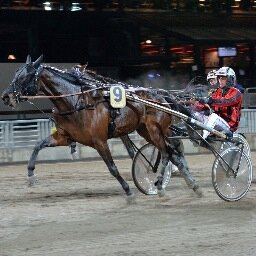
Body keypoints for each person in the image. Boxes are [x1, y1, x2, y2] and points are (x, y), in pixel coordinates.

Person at [196, 66, 243, 139]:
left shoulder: (236, 92)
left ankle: (203, 138)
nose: (220, 80)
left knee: (213, 116)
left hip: (230, 125)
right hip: (219, 122)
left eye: (223, 78)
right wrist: (193, 104)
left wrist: (209, 101)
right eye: (219, 78)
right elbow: (206, 105)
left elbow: (226, 101)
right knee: (196, 115)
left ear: (230, 79)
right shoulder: (217, 91)